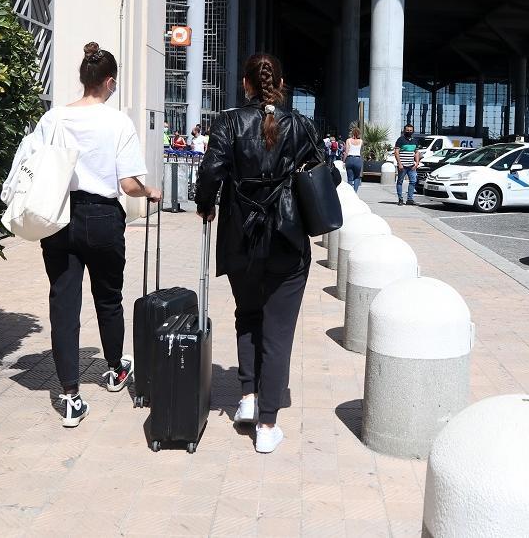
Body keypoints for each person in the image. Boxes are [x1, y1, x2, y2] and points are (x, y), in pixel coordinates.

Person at [194, 53, 331, 454]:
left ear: (246, 85)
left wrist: (206, 205)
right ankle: (268, 424)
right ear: (281, 84)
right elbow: (325, 173)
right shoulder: (300, 126)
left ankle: (248, 397)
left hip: (241, 239)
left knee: (248, 316)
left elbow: (210, 173)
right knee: (278, 331)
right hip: (287, 241)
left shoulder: (229, 123)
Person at [31, 42, 162, 427]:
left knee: (64, 304)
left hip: (59, 215)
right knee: (108, 298)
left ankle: (70, 395)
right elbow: (127, 183)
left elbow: (37, 165)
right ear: (108, 81)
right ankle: (114, 369)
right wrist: (150, 191)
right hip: (102, 217)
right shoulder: (117, 122)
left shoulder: (53, 118)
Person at [393, 124, 420, 205]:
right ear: (404, 130)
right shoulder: (400, 140)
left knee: (413, 181)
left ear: (413, 131)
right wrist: (399, 163)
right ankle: (400, 199)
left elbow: (416, 152)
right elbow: (396, 152)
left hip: (411, 165)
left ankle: (410, 199)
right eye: (407, 130)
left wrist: (417, 163)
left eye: (410, 130)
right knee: (400, 181)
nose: (409, 132)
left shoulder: (415, 140)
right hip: (402, 166)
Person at [343, 127, 364, 192]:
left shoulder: (348, 140)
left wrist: (343, 161)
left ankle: (350, 193)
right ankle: (355, 192)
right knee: (357, 177)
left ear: (352, 133)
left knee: (350, 178)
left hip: (350, 159)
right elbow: (360, 151)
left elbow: (346, 152)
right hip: (358, 159)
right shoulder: (361, 141)